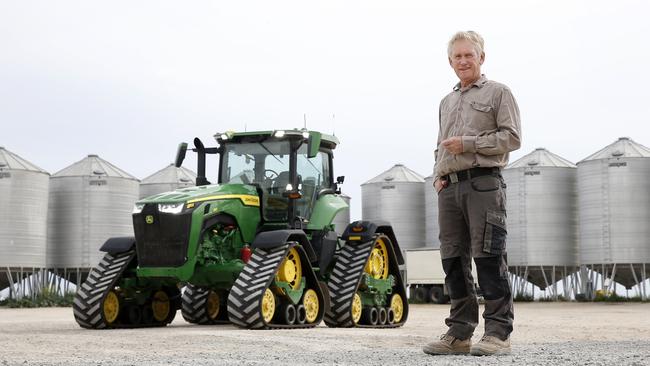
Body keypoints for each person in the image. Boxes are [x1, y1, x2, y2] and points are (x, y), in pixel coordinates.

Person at [423, 30, 521, 356]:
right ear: (450, 62)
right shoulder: (446, 101)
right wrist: (438, 175)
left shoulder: (498, 93)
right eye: (457, 56)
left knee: (489, 255)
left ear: (482, 57)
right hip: (450, 187)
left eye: (469, 55)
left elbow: (512, 138)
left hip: (484, 183)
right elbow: (440, 143)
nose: (463, 61)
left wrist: (469, 144)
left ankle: (498, 334)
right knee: (452, 259)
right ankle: (459, 333)